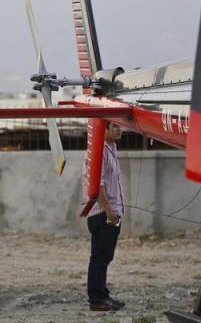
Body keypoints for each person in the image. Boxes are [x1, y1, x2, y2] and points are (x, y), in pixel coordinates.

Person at [83, 121, 126, 311]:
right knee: (99, 257)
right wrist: (109, 211)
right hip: (103, 214)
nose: (120, 129)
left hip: (112, 213)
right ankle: (96, 299)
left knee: (105, 257)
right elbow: (97, 185)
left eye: (120, 126)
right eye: (115, 126)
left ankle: (103, 294)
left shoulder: (111, 148)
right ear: (104, 129)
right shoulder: (99, 151)